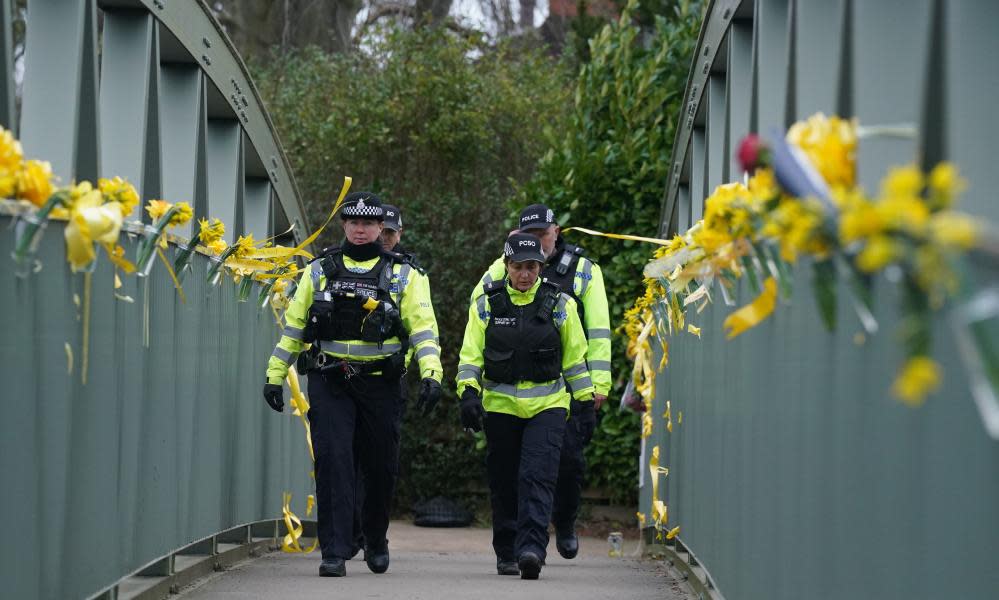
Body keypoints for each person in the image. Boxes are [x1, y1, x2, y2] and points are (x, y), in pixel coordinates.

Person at [263, 191, 443, 577]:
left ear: (382, 227)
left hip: (382, 384)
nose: (360, 230)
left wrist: (431, 373)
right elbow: (294, 328)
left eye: (369, 224)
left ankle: (375, 539)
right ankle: (334, 550)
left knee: (380, 467)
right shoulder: (318, 270)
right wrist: (275, 375)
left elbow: (424, 329)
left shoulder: (405, 275)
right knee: (333, 462)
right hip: (331, 382)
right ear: (344, 225)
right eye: (353, 223)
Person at [469, 203, 611, 559]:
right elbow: (478, 328)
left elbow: (595, 334)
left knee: (560, 467)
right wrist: (468, 391)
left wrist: (594, 390)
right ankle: (511, 550)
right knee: (509, 477)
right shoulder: (496, 278)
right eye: (519, 262)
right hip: (503, 401)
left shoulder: (580, 274)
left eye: (541, 236)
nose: (525, 272)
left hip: (554, 396)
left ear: (556, 232)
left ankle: (556, 529)